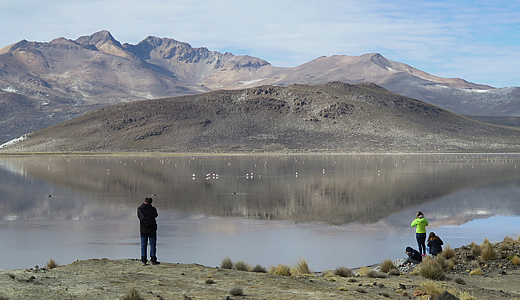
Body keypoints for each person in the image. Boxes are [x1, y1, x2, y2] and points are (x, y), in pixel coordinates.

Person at [137, 197, 159, 265]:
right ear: (151, 202)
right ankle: (153, 259)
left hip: (143, 229)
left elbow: (140, 217)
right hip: (152, 228)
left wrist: (145, 222)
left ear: (144, 201)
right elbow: (156, 215)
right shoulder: (153, 209)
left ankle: (143, 260)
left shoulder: (140, 209)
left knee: (143, 244)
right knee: (152, 244)